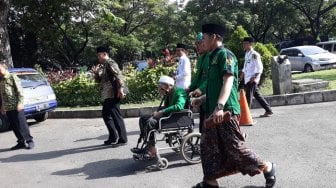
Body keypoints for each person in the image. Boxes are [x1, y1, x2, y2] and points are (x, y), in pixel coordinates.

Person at [192, 24, 276, 188]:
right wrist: (202, 98)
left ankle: (268, 167)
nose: (202, 41)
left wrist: (220, 106)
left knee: (235, 148)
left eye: (205, 37)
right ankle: (210, 181)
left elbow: (228, 81)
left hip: (226, 111)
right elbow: (215, 86)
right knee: (206, 147)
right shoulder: (211, 57)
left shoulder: (226, 55)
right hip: (213, 111)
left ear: (214, 37)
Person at [131, 75, 187, 158]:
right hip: (168, 116)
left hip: (176, 118)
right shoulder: (169, 93)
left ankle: (152, 149)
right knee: (143, 118)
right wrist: (158, 112)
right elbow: (166, 106)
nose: (159, 90)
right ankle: (148, 145)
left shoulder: (179, 92)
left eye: (160, 88)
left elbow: (179, 106)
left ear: (167, 86)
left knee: (150, 122)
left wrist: (162, 111)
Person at [92, 46, 128, 146]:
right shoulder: (104, 65)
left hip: (113, 93)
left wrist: (121, 89)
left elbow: (118, 75)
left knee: (116, 116)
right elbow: (100, 81)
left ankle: (122, 139)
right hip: (108, 94)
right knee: (106, 115)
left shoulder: (110, 63)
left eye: (99, 55)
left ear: (105, 54)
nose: (98, 57)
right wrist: (95, 74)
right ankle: (113, 137)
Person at [0, 64, 34, 150]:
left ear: (4, 67)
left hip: (16, 105)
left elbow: (20, 91)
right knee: (14, 125)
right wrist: (3, 106)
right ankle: (21, 142)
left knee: (22, 124)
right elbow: (2, 95)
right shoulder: (1, 80)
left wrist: (20, 103)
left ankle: (29, 141)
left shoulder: (12, 76)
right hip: (8, 107)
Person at [240, 37, 273, 117]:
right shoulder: (247, 54)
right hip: (248, 78)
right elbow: (246, 66)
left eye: (246, 43)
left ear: (251, 44)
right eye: (243, 43)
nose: (244, 45)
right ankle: (268, 110)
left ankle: (245, 115)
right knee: (257, 95)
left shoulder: (255, 54)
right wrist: (242, 74)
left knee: (248, 96)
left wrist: (254, 77)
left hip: (252, 79)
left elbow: (260, 67)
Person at [186, 32, 210, 133]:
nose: (197, 46)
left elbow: (211, 78)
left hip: (209, 94)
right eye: (196, 44)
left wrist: (201, 89)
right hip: (202, 98)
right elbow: (198, 77)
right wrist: (190, 88)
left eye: (199, 43)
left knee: (209, 124)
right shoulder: (201, 58)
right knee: (202, 124)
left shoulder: (210, 56)